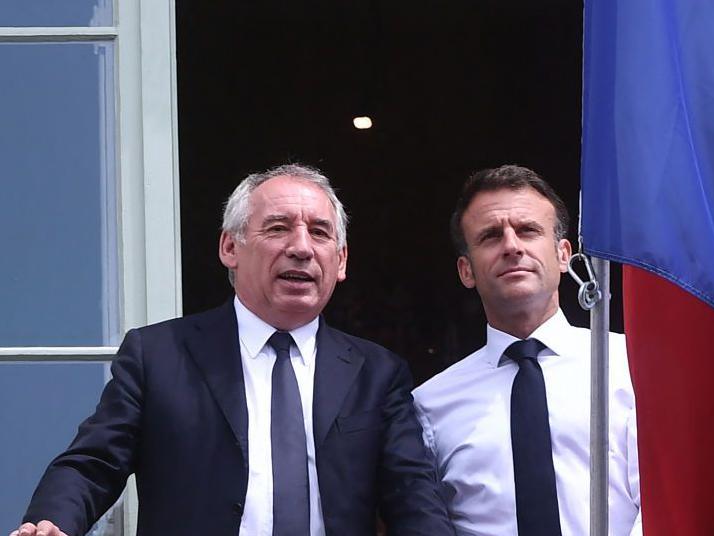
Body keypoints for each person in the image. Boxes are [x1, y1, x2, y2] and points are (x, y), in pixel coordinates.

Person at [13, 164, 454, 536]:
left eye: (319, 233)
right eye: (278, 228)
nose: (300, 248)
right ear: (230, 247)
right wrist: (53, 521)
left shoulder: (376, 372)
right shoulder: (160, 355)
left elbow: (411, 491)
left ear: (340, 262)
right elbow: (94, 462)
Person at [413, 165, 641, 535]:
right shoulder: (429, 405)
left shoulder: (629, 365)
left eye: (528, 230)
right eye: (489, 236)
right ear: (466, 270)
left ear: (564, 254)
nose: (511, 246)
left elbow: (663, 500)